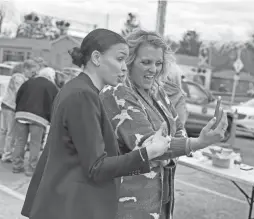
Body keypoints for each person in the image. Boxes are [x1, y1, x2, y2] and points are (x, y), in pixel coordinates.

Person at [21, 28, 170, 219]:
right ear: (97, 58)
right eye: (120, 59)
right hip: (72, 207)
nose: (124, 67)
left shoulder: (78, 89)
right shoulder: (83, 96)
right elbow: (96, 168)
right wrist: (148, 154)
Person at [99, 30, 228, 219]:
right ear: (128, 61)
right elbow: (150, 146)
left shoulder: (157, 91)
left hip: (161, 195)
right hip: (129, 201)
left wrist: (170, 151)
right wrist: (196, 143)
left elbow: (179, 130)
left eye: (158, 63)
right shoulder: (117, 93)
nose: (154, 69)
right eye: (146, 62)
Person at [12, 67, 59, 176]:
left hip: (21, 114)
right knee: (35, 144)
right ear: (51, 76)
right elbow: (56, 104)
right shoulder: (51, 87)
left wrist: (18, 110)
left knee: (20, 141)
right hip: (39, 118)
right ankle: (31, 169)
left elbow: (18, 96)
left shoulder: (28, 82)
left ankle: (16, 166)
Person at [0, 60, 38, 162]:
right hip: (11, 107)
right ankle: (7, 155)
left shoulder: (16, 76)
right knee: (10, 133)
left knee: (4, 131)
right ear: (25, 69)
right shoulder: (19, 78)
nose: (33, 74)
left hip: (5, 105)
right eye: (32, 72)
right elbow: (20, 92)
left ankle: (2, 151)